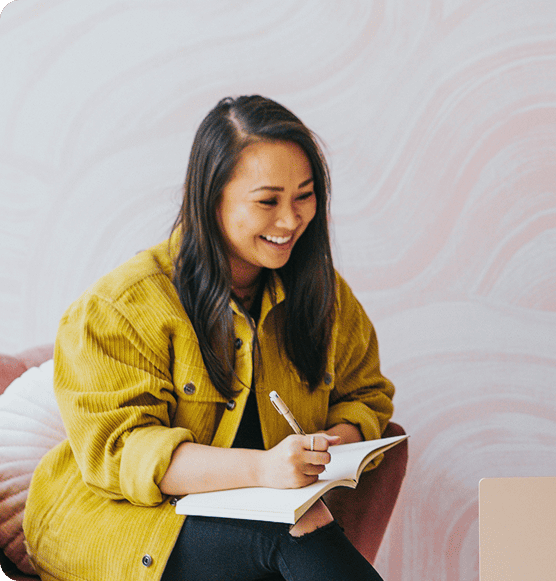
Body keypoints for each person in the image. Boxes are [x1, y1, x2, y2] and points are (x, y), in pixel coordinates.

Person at [24, 95, 395, 581]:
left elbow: (366, 396)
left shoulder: (323, 297)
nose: (290, 220)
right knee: (294, 527)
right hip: (121, 520)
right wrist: (264, 470)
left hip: (253, 514)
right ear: (211, 197)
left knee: (295, 524)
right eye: (268, 201)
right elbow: (124, 451)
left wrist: (330, 445)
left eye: (304, 196)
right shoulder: (122, 305)